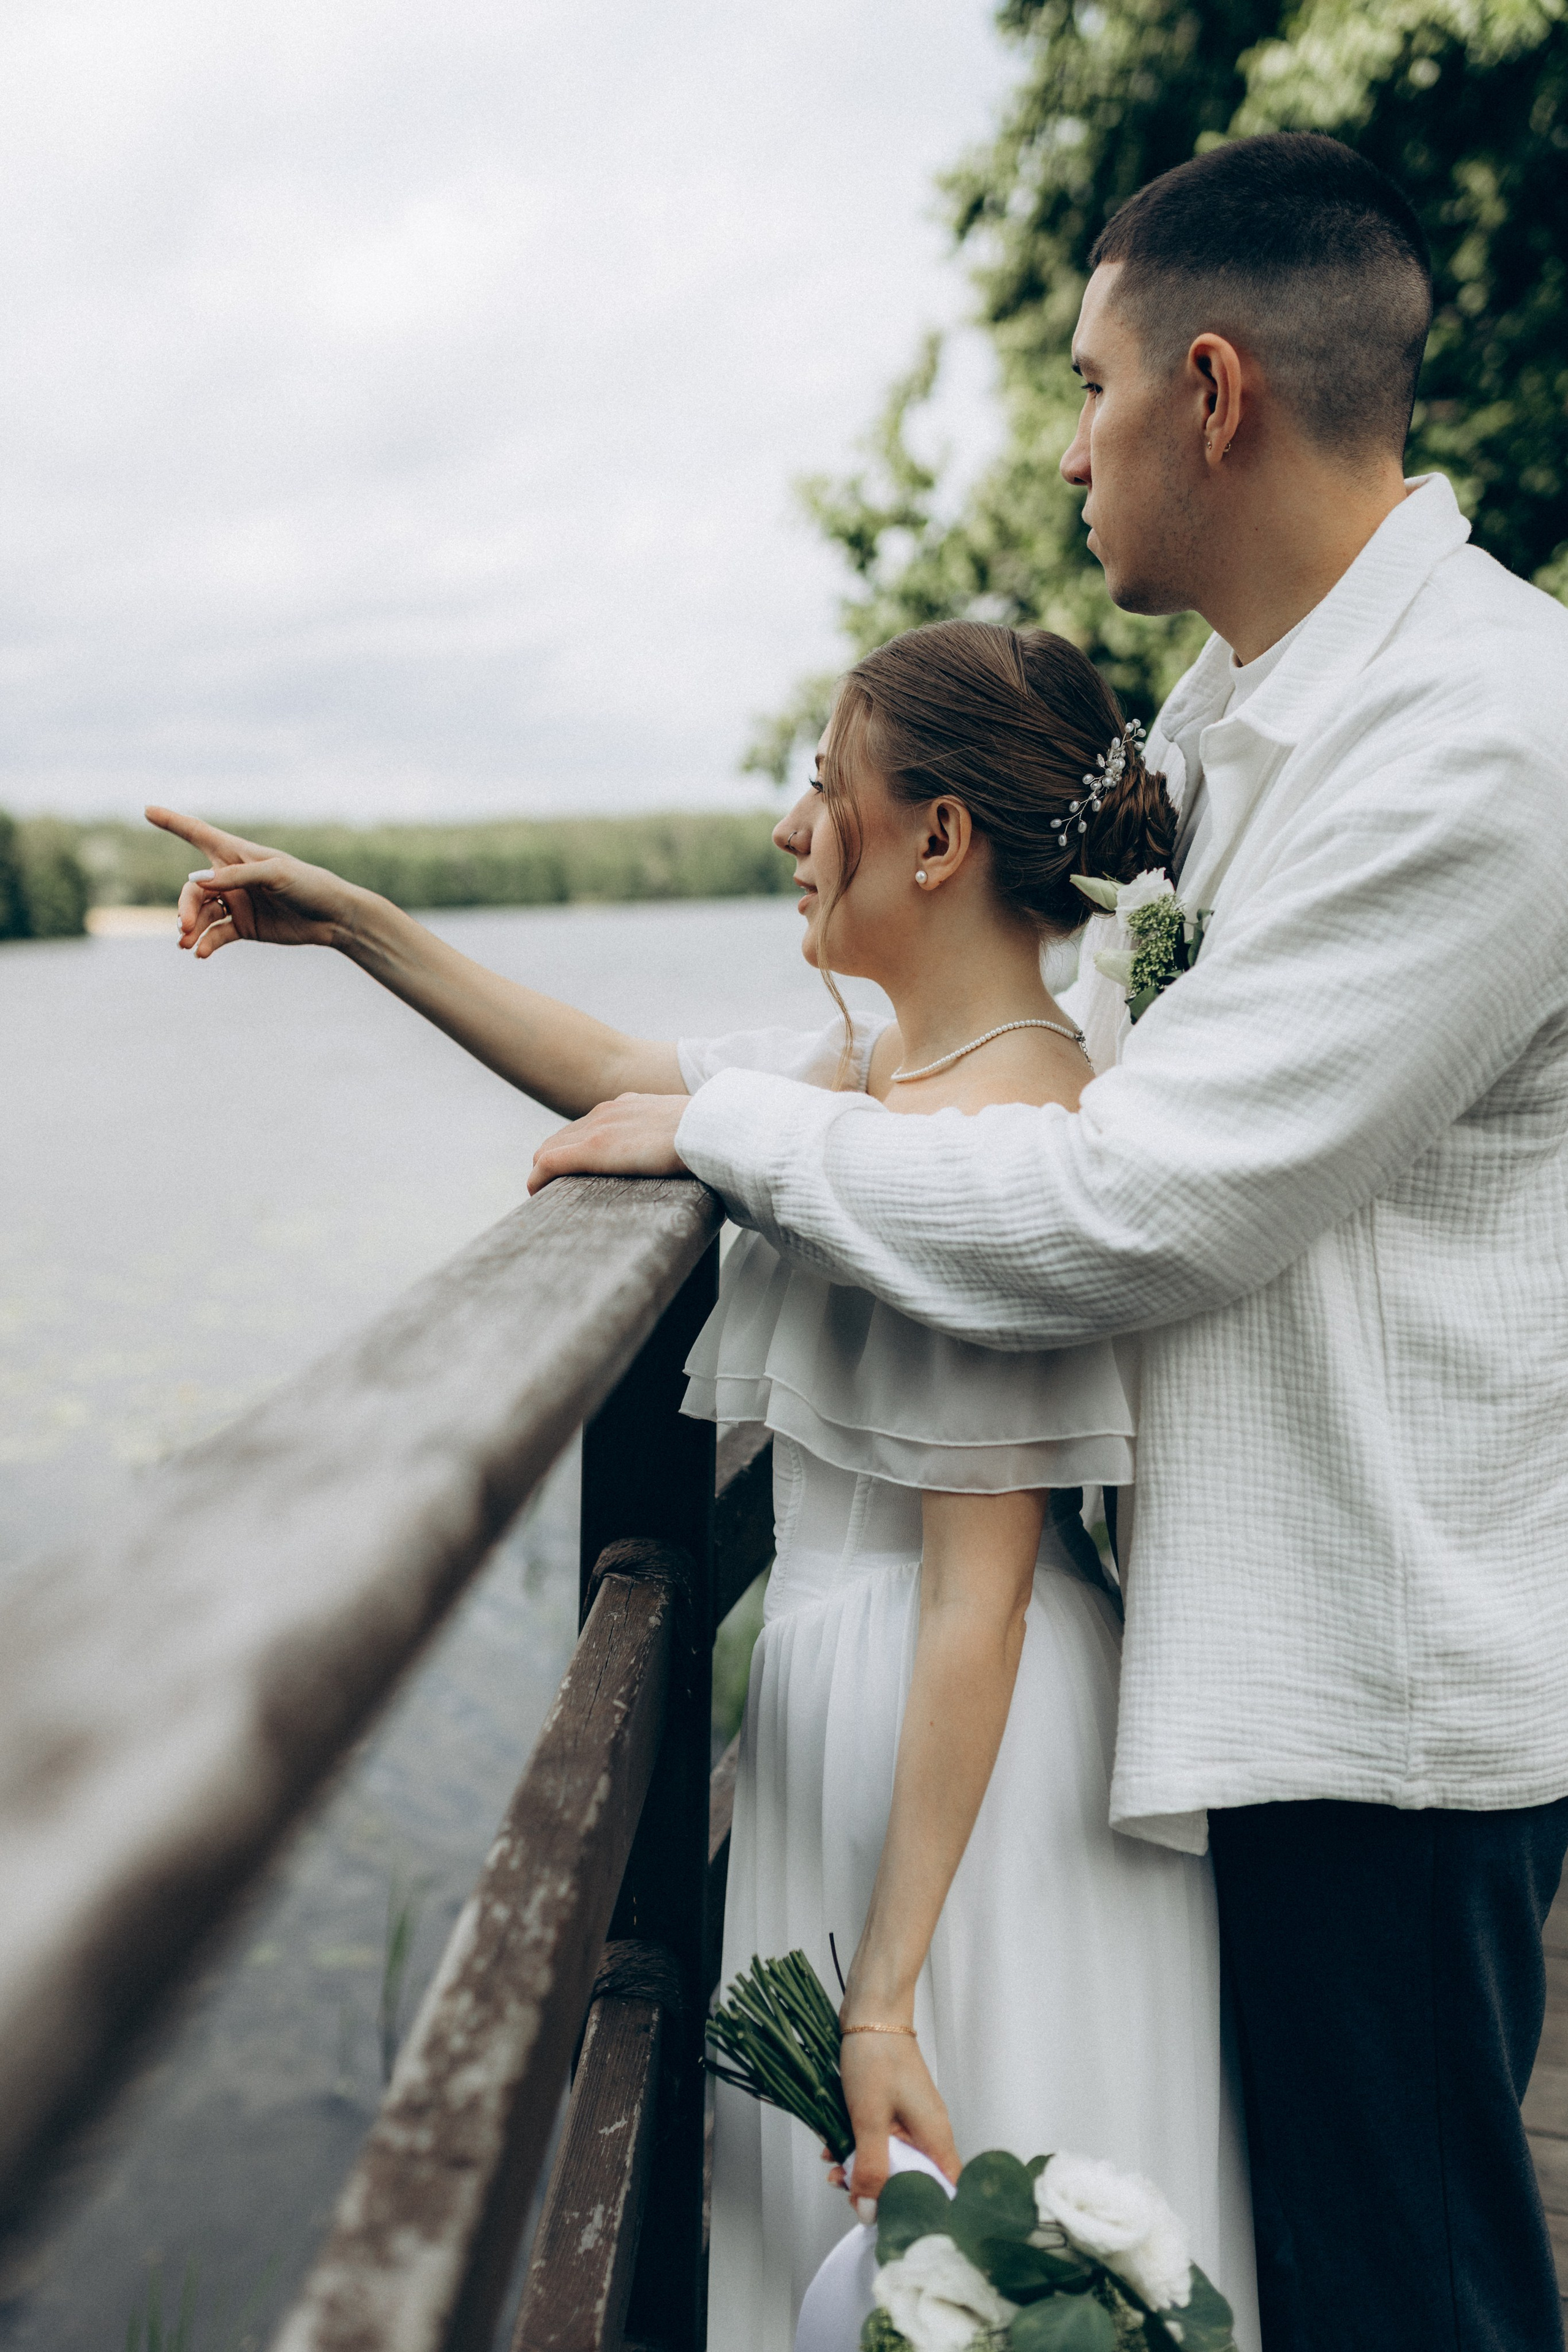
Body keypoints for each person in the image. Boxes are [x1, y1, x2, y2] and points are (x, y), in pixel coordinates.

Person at [527, 134, 1568, 2351]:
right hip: (1245, 1670)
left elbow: (1134, 1201)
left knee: (1420, 2294)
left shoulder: (1479, 739)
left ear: (1212, 393)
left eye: (1089, 389)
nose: (1068, 444)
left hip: (1377, 1693)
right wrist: (714, 1097)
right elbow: (1013, 1072)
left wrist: (717, 1132)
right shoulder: (1236, 722)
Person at [148, 622, 1259, 2352]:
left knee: (964, 2245)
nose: (789, 828)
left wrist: (884, 1998)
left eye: (825, 787)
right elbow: (634, 1082)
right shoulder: (882, 1079)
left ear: (941, 840)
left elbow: (984, 1593)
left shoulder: (1014, 1142)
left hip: (957, 1784)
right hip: (858, 1733)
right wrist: (354, 924)